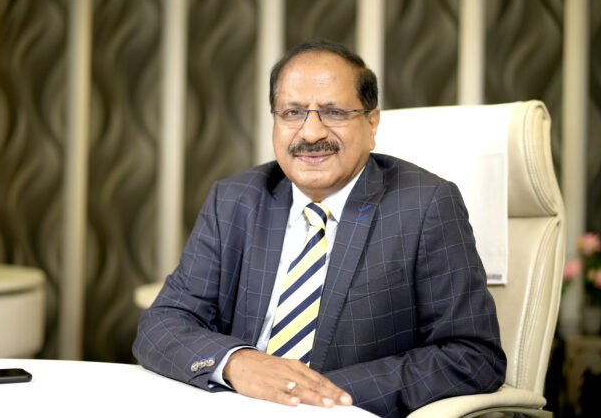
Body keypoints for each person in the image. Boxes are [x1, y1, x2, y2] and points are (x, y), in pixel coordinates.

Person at [133, 40, 506, 417]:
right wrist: (237, 363)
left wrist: (313, 395)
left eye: (333, 112)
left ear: (372, 124)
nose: (311, 133)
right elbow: (161, 323)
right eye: (293, 112)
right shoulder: (235, 199)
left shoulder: (425, 205)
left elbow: (472, 356)